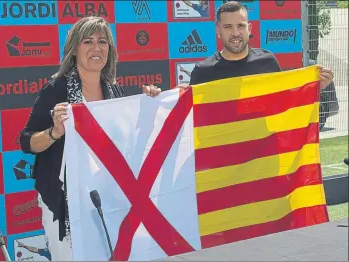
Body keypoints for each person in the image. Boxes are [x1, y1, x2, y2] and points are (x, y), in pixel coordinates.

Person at [19, 16, 161, 261]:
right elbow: (27, 142)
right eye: (88, 41)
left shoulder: (114, 91)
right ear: (75, 49)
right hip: (64, 203)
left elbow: (128, 143)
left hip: (106, 197)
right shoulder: (57, 89)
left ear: (110, 50)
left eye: (103, 42)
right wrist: (54, 133)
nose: (97, 48)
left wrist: (150, 106)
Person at [188, 1, 334, 89]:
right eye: (227, 27)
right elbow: (187, 119)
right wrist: (165, 100)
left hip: (264, 141)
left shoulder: (267, 61)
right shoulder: (203, 71)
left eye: (240, 26)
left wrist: (315, 88)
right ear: (218, 31)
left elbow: (285, 102)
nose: (235, 33)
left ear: (249, 29)